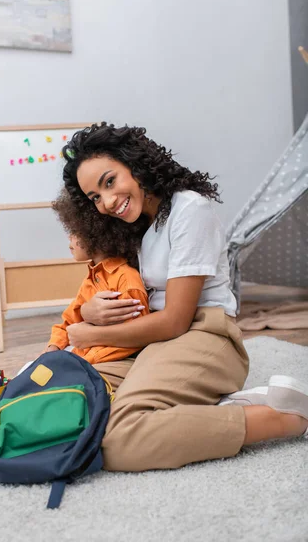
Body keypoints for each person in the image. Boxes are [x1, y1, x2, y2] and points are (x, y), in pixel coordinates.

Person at [60, 122, 308, 472]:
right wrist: (89, 311)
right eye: (95, 198)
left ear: (135, 163)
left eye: (109, 181)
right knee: (65, 399)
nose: (107, 202)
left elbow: (176, 320)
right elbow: (116, 288)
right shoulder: (137, 227)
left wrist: (94, 333)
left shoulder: (189, 210)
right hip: (152, 341)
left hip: (203, 334)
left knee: (119, 441)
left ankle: (280, 419)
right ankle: (204, 410)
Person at [45, 190, 149, 364]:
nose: (69, 237)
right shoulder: (91, 279)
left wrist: (83, 361)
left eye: (74, 231)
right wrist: (52, 348)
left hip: (99, 365)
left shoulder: (126, 280)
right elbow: (69, 321)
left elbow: (135, 338)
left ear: (95, 234)